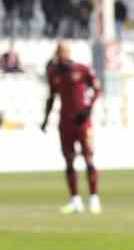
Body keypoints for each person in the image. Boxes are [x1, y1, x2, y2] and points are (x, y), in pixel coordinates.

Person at [41, 42, 102, 215]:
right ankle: (75, 200)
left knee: (88, 158)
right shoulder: (54, 73)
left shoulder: (81, 69)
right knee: (68, 160)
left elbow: (96, 88)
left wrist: (88, 108)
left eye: (64, 52)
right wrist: (45, 119)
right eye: (59, 52)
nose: (62, 55)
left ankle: (94, 198)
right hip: (65, 122)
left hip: (82, 121)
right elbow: (51, 97)